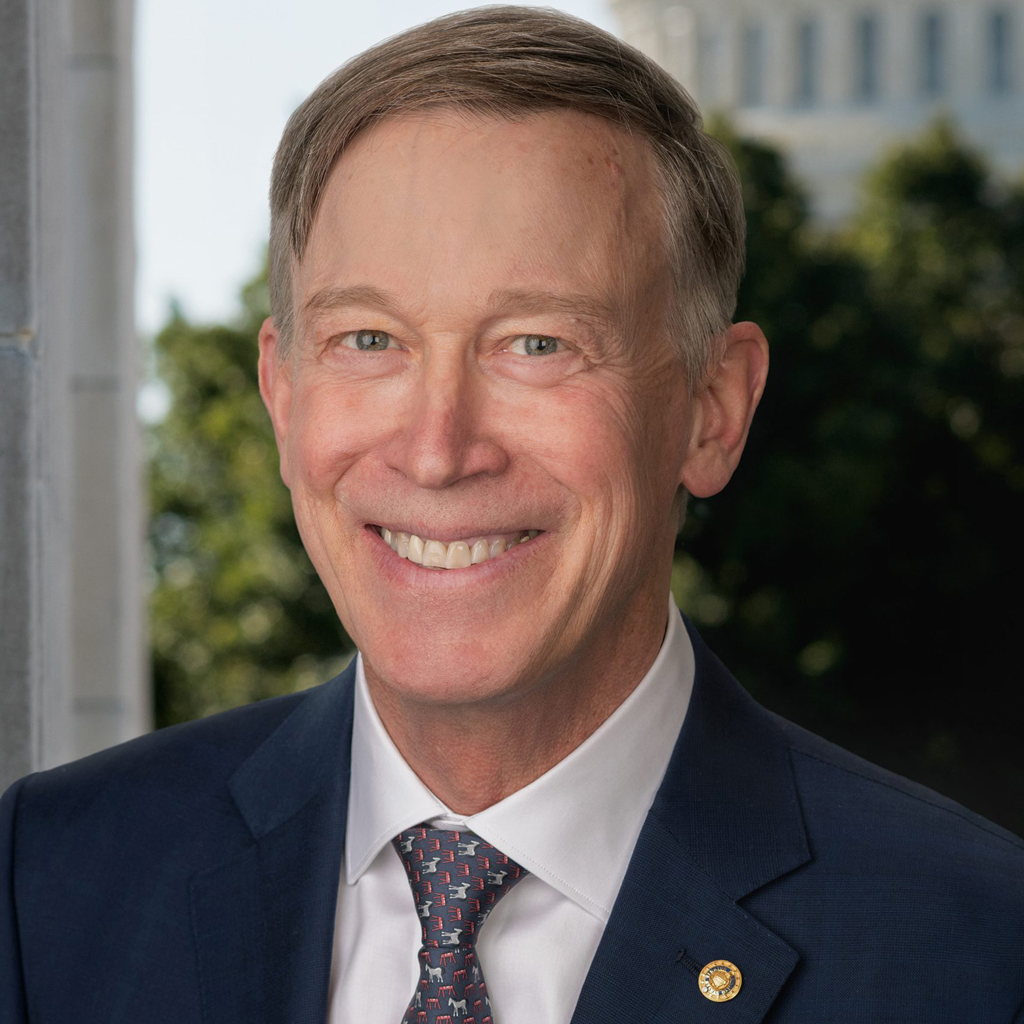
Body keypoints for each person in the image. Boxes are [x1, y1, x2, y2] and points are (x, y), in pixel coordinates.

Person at [2, 7, 1023, 1023]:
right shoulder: (48, 883)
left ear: (712, 410)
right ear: (280, 391)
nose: (439, 448)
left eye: (536, 345)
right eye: (368, 339)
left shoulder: (974, 949)